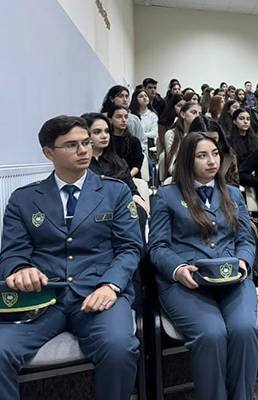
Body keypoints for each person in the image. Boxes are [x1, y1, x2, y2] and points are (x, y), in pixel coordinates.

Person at [0, 115, 142, 400]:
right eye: (72, 145)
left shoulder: (115, 191)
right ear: (48, 152)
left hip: (97, 291)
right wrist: (20, 268)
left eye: (87, 142)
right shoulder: (24, 199)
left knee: (119, 348)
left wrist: (111, 285)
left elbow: (130, 247)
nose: (84, 150)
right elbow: (12, 251)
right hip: (42, 298)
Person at [149, 132, 258, 400]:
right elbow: (158, 247)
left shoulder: (232, 192)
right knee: (211, 335)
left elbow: (245, 238)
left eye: (214, 154)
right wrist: (178, 269)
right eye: (202, 155)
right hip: (188, 280)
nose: (211, 161)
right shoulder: (167, 196)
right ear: (187, 160)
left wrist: (244, 261)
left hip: (232, 276)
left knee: (245, 330)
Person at [82, 112, 149, 226]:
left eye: (107, 131)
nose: (104, 136)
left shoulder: (119, 162)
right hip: (90, 214)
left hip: (120, 211)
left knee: (138, 211)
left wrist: (136, 197)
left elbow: (132, 190)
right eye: (97, 132)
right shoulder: (80, 164)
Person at [163, 101, 202, 179]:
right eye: (193, 112)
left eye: (200, 114)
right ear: (183, 114)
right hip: (179, 176)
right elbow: (171, 166)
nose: (197, 116)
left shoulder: (201, 134)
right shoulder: (171, 134)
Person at [107, 105, 144, 179]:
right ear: (110, 120)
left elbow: (137, 165)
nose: (123, 120)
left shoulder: (134, 141)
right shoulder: (107, 140)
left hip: (131, 178)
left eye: (126, 117)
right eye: (119, 117)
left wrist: (127, 177)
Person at [129, 87, 158, 154]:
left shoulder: (153, 115)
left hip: (147, 146)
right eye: (141, 96)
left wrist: (140, 134)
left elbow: (154, 133)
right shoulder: (131, 115)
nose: (144, 98)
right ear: (135, 99)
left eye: (146, 96)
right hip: (132, 144)